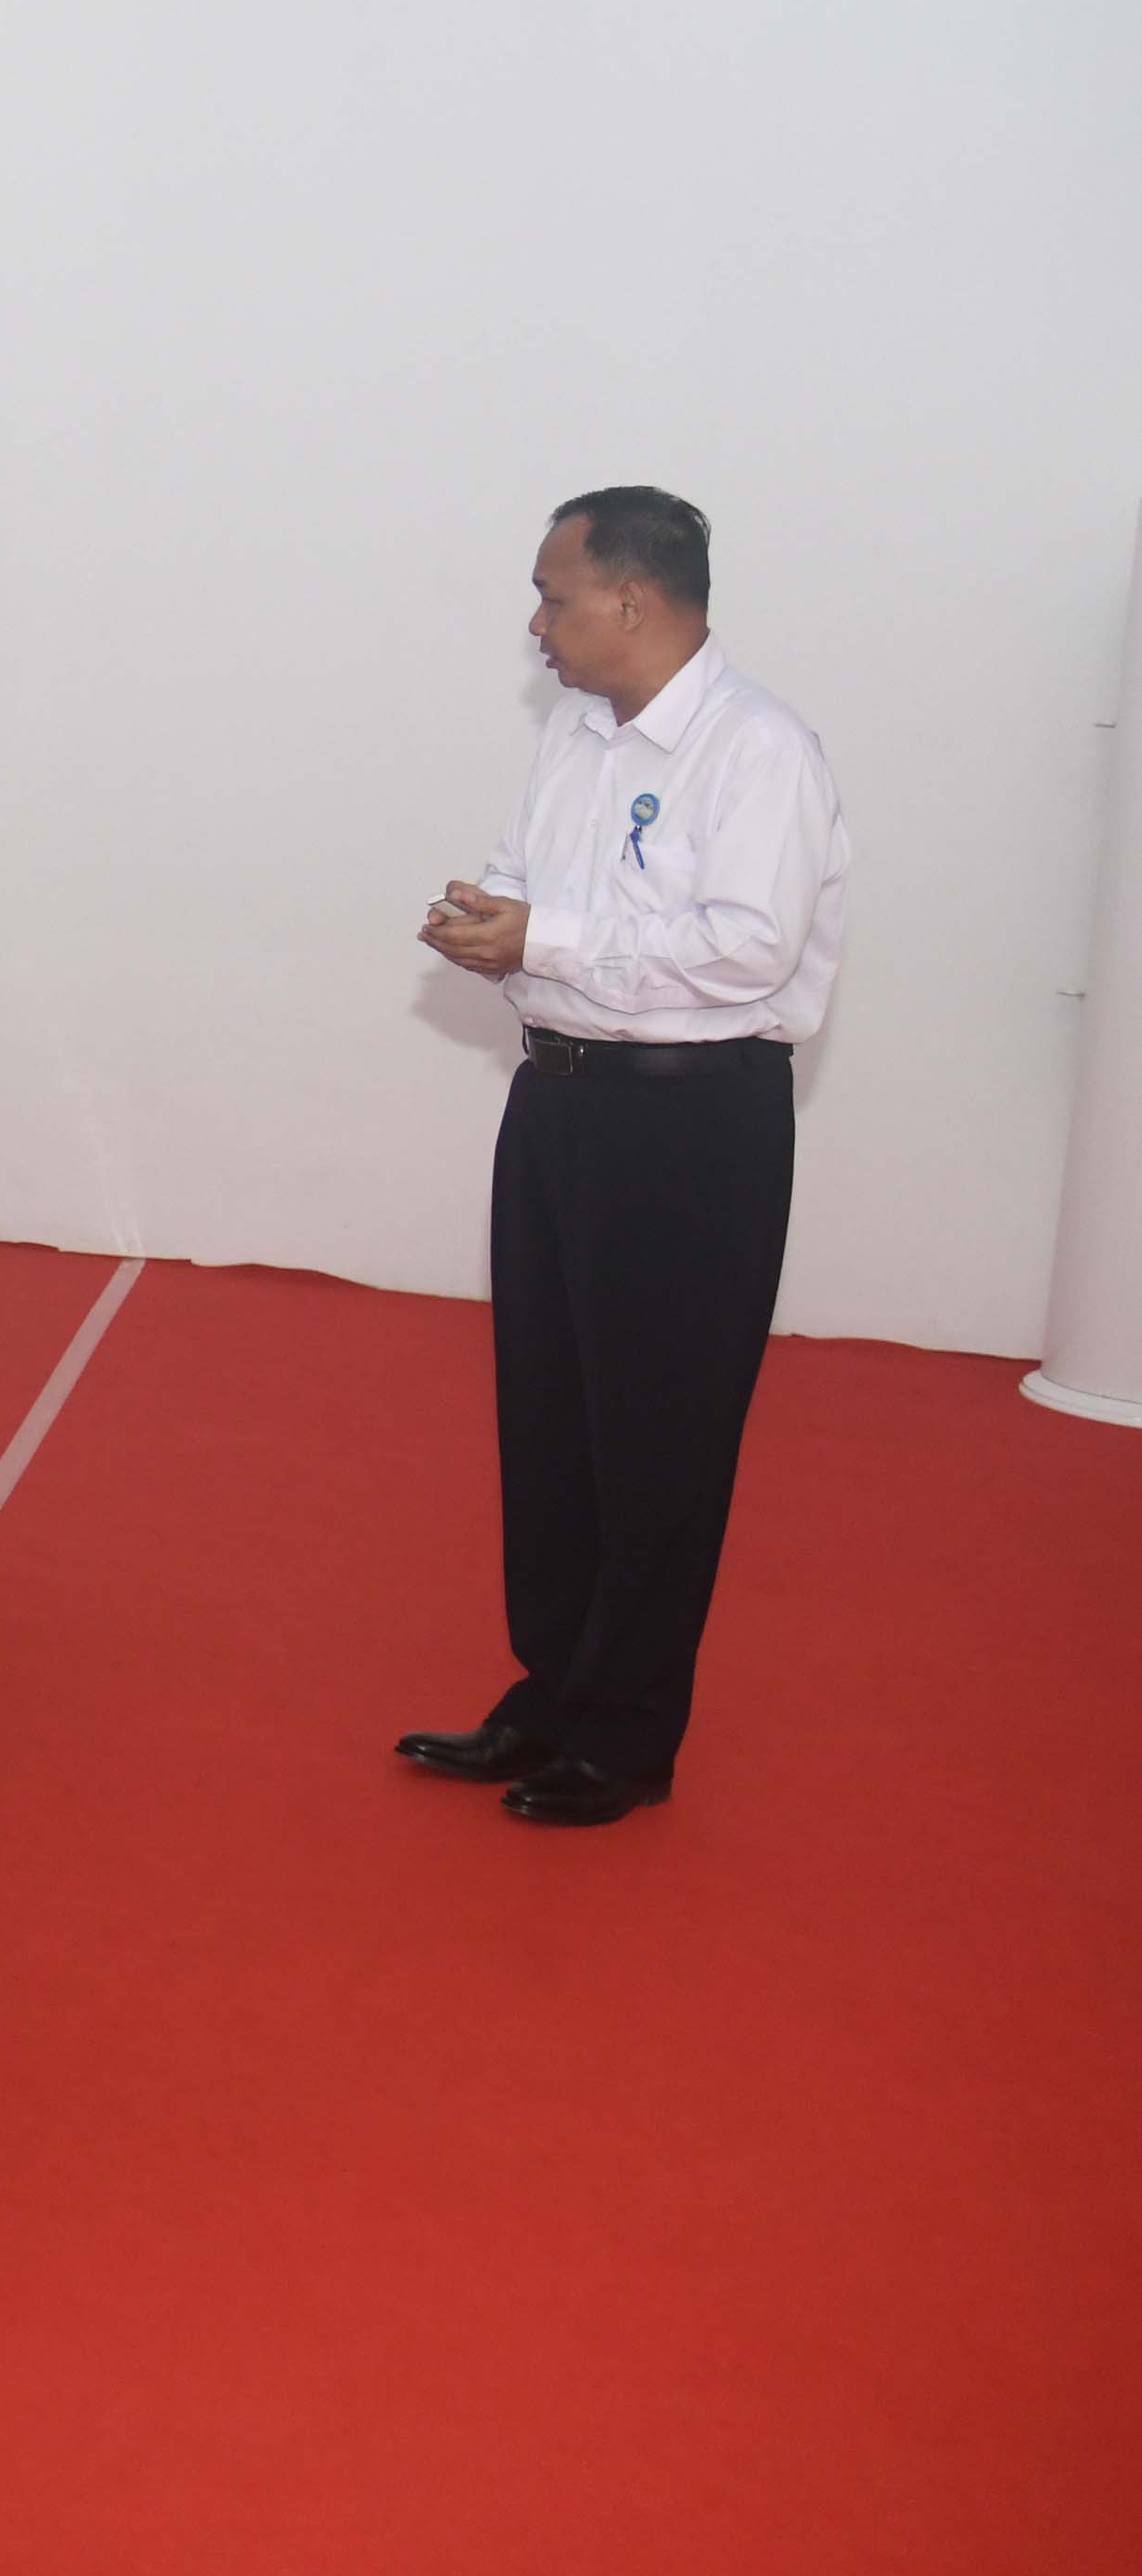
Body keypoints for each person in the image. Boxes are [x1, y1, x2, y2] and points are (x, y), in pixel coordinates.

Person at [401, 486, 848, 1828]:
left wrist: (541, 939)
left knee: (657, 1433)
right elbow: (527, 882)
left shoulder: (756, 750)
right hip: (561, 1104)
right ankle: (551, 1695)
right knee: (550, 1418)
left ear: (633, 600)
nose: (537, 625)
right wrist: (490, 922)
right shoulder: (578, 737)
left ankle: (627, 1734)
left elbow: (747, 949)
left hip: (687, 1126)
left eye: (554, 597)